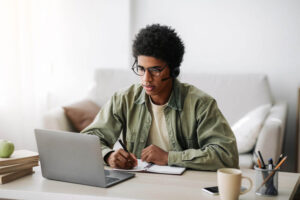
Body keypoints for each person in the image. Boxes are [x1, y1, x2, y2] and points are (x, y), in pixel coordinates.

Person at [82, 24, 239, 171]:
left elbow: (226, 155)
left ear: (173, 70)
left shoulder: (201, 104)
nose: (146, 79)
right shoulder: (123, 99)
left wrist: (169, 157)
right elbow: (88, 140)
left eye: (155, 70)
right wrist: (108, 156)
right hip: (137, 183)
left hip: (184, 186)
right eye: (141, 69)